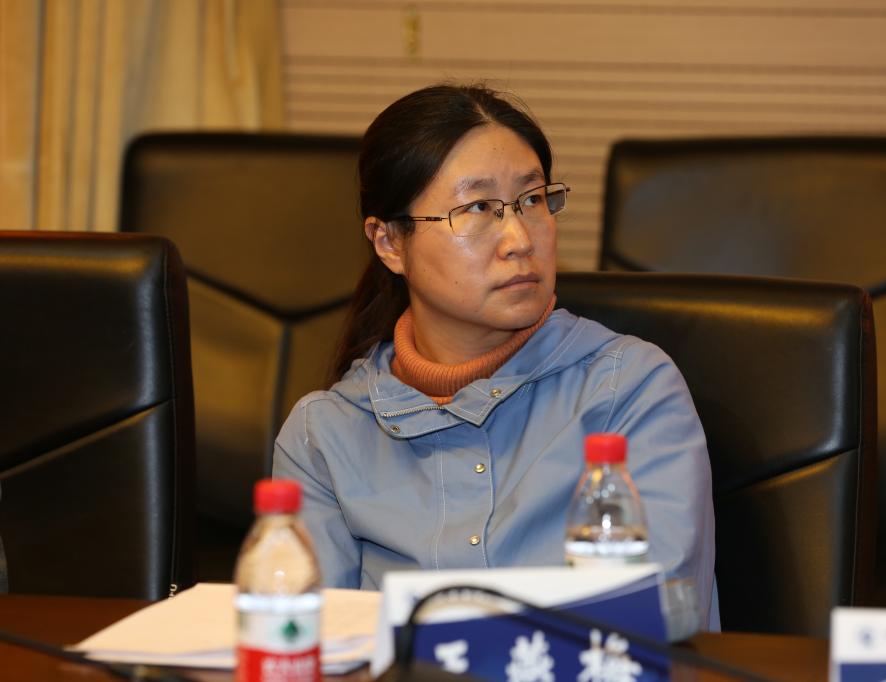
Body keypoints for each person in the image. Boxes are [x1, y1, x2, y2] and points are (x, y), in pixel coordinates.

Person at [272, 83, 719, 629]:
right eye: (479, 208)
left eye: (533, 200)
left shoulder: (628, 391)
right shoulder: (324, 435)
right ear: (389, 242)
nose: (519, 239)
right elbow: (303, 643)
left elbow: (659, 621)